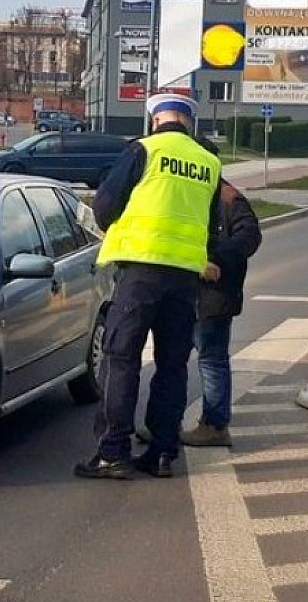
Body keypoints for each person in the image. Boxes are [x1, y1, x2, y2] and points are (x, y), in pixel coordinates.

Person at [75, 91, 222, 481]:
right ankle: (161, 453)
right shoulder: (208, 162)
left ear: (155, 118)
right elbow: (210, 223)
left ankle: (112, 452)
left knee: (121, 358)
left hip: (140, 272)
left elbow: (105, 206)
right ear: (189, 121)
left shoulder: (143, 151)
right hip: (184, 277)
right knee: (173, 365)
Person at [182, 173, 261, 448]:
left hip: (214, 295)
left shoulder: (227, 196)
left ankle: (215, 425)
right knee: (175, 359)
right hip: (186, 293)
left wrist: (213, 259)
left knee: (211, 359)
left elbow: (249, 235)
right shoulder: (190, 191)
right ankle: (165, 422)